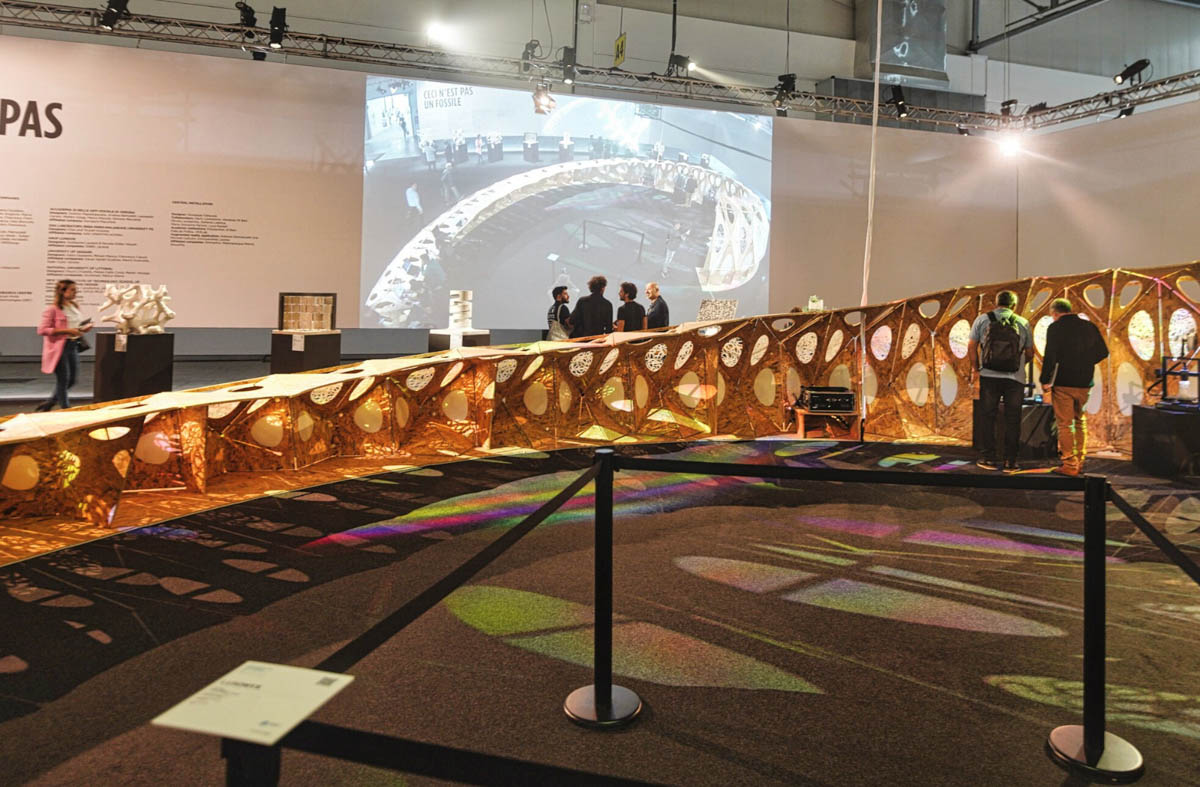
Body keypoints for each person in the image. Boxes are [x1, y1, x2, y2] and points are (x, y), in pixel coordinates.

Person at [1040, 298, 1110, 476]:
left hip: (1064, 381)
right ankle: (1080, 460)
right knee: (1080, 420)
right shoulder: (1089, 326)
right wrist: (1086, 361)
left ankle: (1070, 464)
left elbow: (1050, 355)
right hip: (1085, 381)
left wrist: (1045, 379)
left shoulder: (1055, 328)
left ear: (1054, 313)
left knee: (1065, 424)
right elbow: (1103, 352)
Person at [967, 290, 1033, 472]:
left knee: (988, 417)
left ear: (996, 303)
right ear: (1014, 305)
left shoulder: (982, 320)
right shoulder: (1023, 322)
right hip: (1015, 379)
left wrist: (976, 369)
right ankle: (1011, 461)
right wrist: (1018, 365)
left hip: (989, 376)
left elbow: (971, 347)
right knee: (1013, 418)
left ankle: (988, 458)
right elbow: (1030, 352)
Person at [35, 279, 92, 412]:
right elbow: (42, 330)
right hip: (59, 348)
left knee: (72, 380)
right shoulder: (52, 309)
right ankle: (66, 409)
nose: (75, 292)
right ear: (62, 291)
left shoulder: (74, 306)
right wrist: (67, 331)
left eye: (75, 289)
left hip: (73, 345)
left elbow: (74, 326)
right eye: (72, 290)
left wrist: (83, 329)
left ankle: (49, 403)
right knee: (63, 379)